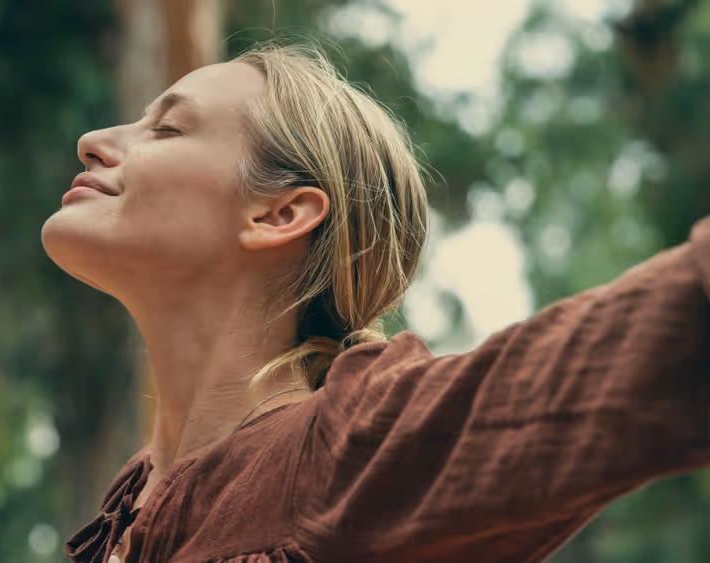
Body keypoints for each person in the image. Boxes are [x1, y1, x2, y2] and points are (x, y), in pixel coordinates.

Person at [41, 42, 710, 563]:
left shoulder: (354, 443)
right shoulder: (126, 506)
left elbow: (615, 354)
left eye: (167, 129)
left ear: (280, 214)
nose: (95, 140)